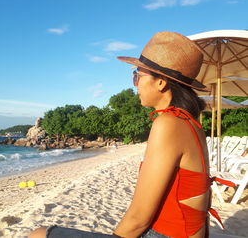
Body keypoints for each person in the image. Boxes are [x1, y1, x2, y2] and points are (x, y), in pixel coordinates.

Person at [28, 32, 219, 238]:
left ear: (161, 82)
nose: (135, 84)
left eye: (138, 76)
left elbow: (138, 219)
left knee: (39, 234)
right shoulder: (189, 123)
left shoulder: (169, 124)